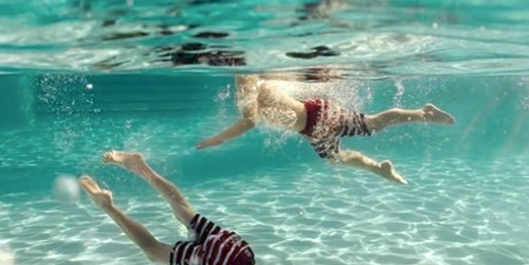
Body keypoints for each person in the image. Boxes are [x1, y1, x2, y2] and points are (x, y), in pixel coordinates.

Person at [79, 150, 349, 265]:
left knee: (183, 209)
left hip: (238, 252)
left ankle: (140, 166)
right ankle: (108, 207)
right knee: (153, 251)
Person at [195, 75, 456, 185]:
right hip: (317, 112)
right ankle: (423, 114)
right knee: (372, 124)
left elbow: (249, 120)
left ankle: (379, 169)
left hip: (313, 124)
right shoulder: (254, 80)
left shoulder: (246, 79)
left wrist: (217, 140)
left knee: (336, 158)